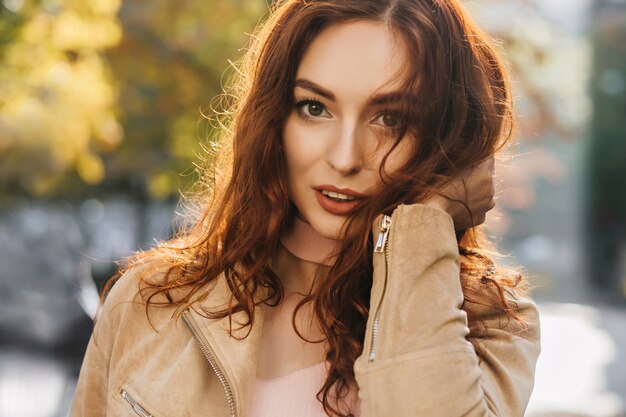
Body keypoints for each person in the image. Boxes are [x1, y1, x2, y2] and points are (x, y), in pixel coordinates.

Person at [70, 0, 541, 416]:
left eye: (391, 118)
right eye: (315, 107)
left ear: (446, 138)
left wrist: (428, 224)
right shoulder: (148, 300)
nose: (344, 157)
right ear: (275, 117)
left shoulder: (489, 325)